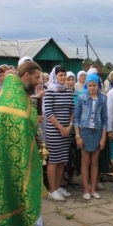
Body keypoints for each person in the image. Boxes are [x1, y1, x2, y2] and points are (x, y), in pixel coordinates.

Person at [0, 61, 45, 226]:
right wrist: (35, 121)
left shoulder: (15, 92)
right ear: (26, 75)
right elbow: (26, 121)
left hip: (13, 151)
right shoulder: (16, 95)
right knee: (20, 190)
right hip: (17, 153)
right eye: (35, 78)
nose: (37, 83)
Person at [74, 73, 107, 200]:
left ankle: (93, 189)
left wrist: (103, 137)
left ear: (98, 85)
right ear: (86, 85)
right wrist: (78, 136)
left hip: (97, 132)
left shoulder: (103, 99)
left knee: (95, 162)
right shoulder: (82, 98)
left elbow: (105, 119)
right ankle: (85, 189)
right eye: (89, 85)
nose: (92, 88)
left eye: (94, 85)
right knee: (85, 162)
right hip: (85, 131)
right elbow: (76, 117)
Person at [44, 66, 74, 201]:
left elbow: (72, 110)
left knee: (62, 160)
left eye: (64, 75)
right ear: (55, 76)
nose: (63, 78)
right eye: (61, 75)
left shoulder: (68, 91)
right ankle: (52, 189)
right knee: (54, 160)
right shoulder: (50, 91)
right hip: (54, 132)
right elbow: (49, 113)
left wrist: (69, 126)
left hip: (67, 131)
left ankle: (57, 187)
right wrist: (61, 128)